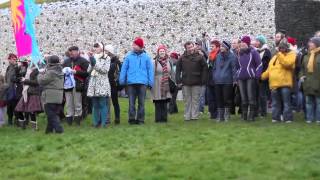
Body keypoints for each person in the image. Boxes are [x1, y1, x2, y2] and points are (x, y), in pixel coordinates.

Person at [119, 37, 154, 125]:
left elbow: (150, 70)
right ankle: (131, 119)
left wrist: (150, 82)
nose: (133, 46)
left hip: (142, 83)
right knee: (131, 103)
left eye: (135, 45)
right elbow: (124, 69)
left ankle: (140, 119)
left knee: (141, 103)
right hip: (131, 83)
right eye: (133, 44)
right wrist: (122, 80)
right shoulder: (128, 56)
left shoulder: (146, 57)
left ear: (140, 46)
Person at [261, 40, 296, 123]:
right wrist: (261, 77)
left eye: (282, 48)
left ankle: (288, 118)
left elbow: (287, 64)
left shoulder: (291, 54)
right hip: (274, 84)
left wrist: (279, 54)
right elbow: (269, 69)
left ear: (286, 48)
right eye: (280, 48)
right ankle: (276, 118)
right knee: (275, 103)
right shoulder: (274, 57)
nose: (281, 49)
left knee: (286, 103)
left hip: (285, 84)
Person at [176, 41, 208, 121]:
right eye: (188, 48)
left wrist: (203, 80)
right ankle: (187, 116)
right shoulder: (182, 58)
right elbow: (178, 70)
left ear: (193, 46)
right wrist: (178, 81)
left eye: (191, 47)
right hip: (185, 82)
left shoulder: (200, 57)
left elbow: (205, 68)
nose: (190, 49)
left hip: (197, 82)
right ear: (186, 48)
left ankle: (194, 116)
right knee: (187, 100)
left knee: (195, 100)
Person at [236, 36, 262, 121]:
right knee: (243, 98)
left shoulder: (253, 52)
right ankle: (244, 116)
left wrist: (256, 76)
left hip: (251, 77)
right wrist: (237, 74)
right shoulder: (239, 53)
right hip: (241, 78)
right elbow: (237, 66)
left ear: (247, 43)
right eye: (241, 42)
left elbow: (259, 65)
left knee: (251, 96)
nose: (242, 44)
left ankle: (251, 115)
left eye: (243, 42)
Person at [63, 46, 89, 125]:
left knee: (77, 102)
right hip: (67, 85)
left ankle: (78, 119)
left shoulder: (83, 61)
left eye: (73, 51)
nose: (71, 53)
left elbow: (87, 73)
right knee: (68, 102)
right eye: (70, 51)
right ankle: (69, 118)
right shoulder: (66, 61)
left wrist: (76, 72)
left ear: (77, 51)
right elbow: (62, 71)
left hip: (78, 84)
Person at [38, 55, 64, 134]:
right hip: (59, 95)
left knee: (51, 114)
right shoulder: (61, 71)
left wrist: (40, 73)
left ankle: (59, 130)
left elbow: (41, 81)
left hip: (50, 95)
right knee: (53, 114)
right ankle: (48, 131)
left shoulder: (51, 72)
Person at [87, 43, 111, 128]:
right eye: (95, 47)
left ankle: (104, 123)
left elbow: (105, 70)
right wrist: (91, 59)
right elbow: (88, 70)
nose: (95, 48)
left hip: (102, 83)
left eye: (97, 47)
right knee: (95, 104)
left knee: (102, 104)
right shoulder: (94, 57)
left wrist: (94, 64)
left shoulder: (106, 58)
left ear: (101, 48)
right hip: (94, 82)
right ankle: (96, 123)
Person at [213, 41, 237, 122]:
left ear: (227, 48)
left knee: (227, 99)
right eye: (221, 46)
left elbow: (234, 69)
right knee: (219, 98)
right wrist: (215, 76)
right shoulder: (218, 56)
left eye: (223, 46)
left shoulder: (232, 56)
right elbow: (215, 68)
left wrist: (234, 80)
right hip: (217, 80)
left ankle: (227, 115)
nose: (221, 48)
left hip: (227, 81)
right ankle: (220, 116)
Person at [15, 64, 43, 130]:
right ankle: (23, 127)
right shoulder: (28, 70)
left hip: (33, 92)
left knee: (32, 111)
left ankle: (34, 128)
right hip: (26, 92)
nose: (30, 62)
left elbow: (36, 82)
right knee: (18, 109)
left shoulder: (37, 71)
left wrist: (25, 81)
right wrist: (18, 67)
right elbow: (19, 74)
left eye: (31, 61)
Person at [300, 37, 320, 124]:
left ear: (316, 44)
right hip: (308, 83)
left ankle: (318, 119)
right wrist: (301, 76)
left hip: (318, 82)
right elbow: (302, 69)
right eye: (309, 42)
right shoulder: (306, 56)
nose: (309, 44)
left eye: (311, 43)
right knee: (308, 102)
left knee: (319, 103)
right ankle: (309, 119)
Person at [151, 45, 173, 123]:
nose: (162, 53)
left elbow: (171, 72)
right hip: (157, 83)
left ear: (165, 52)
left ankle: (164, 118)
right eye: (160, 51)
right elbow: (152, 73)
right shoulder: (155, 62)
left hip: (166, 82)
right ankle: (158, 118)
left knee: (165, 101)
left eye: (163, 51)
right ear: (158, 52)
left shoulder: (169, 61)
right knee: (158, 101)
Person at [254, 35, 272, 117]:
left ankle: (263, 112)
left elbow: (267, 64)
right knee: (256, 94)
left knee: (262, 95)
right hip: (256, 76)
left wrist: (263, 74)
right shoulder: (256, 51)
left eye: (257, 41)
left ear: (261, 42)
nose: (255, 42)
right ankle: (257, 111)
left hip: (263, 76)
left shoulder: (267, 52)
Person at [106, 44, 121, 124]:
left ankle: (117, 117)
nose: (105, 52)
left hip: (113, 84)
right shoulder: (104, 60)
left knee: (115, 101)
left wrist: (117, 81)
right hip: (105, 83)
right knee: (106, 102)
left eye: (106, 51)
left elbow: (119, 72)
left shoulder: (116, 61)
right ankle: (106, 118)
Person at [207, 40, 220, 119]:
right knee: (210, 97)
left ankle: (217, 113)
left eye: (213, 46)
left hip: (216, 79)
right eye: (210, 46)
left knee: (217, 97)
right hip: (210, 79)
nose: (211, 48)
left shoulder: (219, 56)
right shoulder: (210, 56)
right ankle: (212, 113)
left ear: (217, 47)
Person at [5, 53, 19, 126]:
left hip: (15, 89)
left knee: (15, 106)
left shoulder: (17, 67)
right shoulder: (8, 68)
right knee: (9, 107)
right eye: (13, 59)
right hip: (8, 89)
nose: (14, 60)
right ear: (9, 60)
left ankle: (17, 120)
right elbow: (6, 78)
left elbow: (19, 78)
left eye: (15, 59)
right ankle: (10, 121)